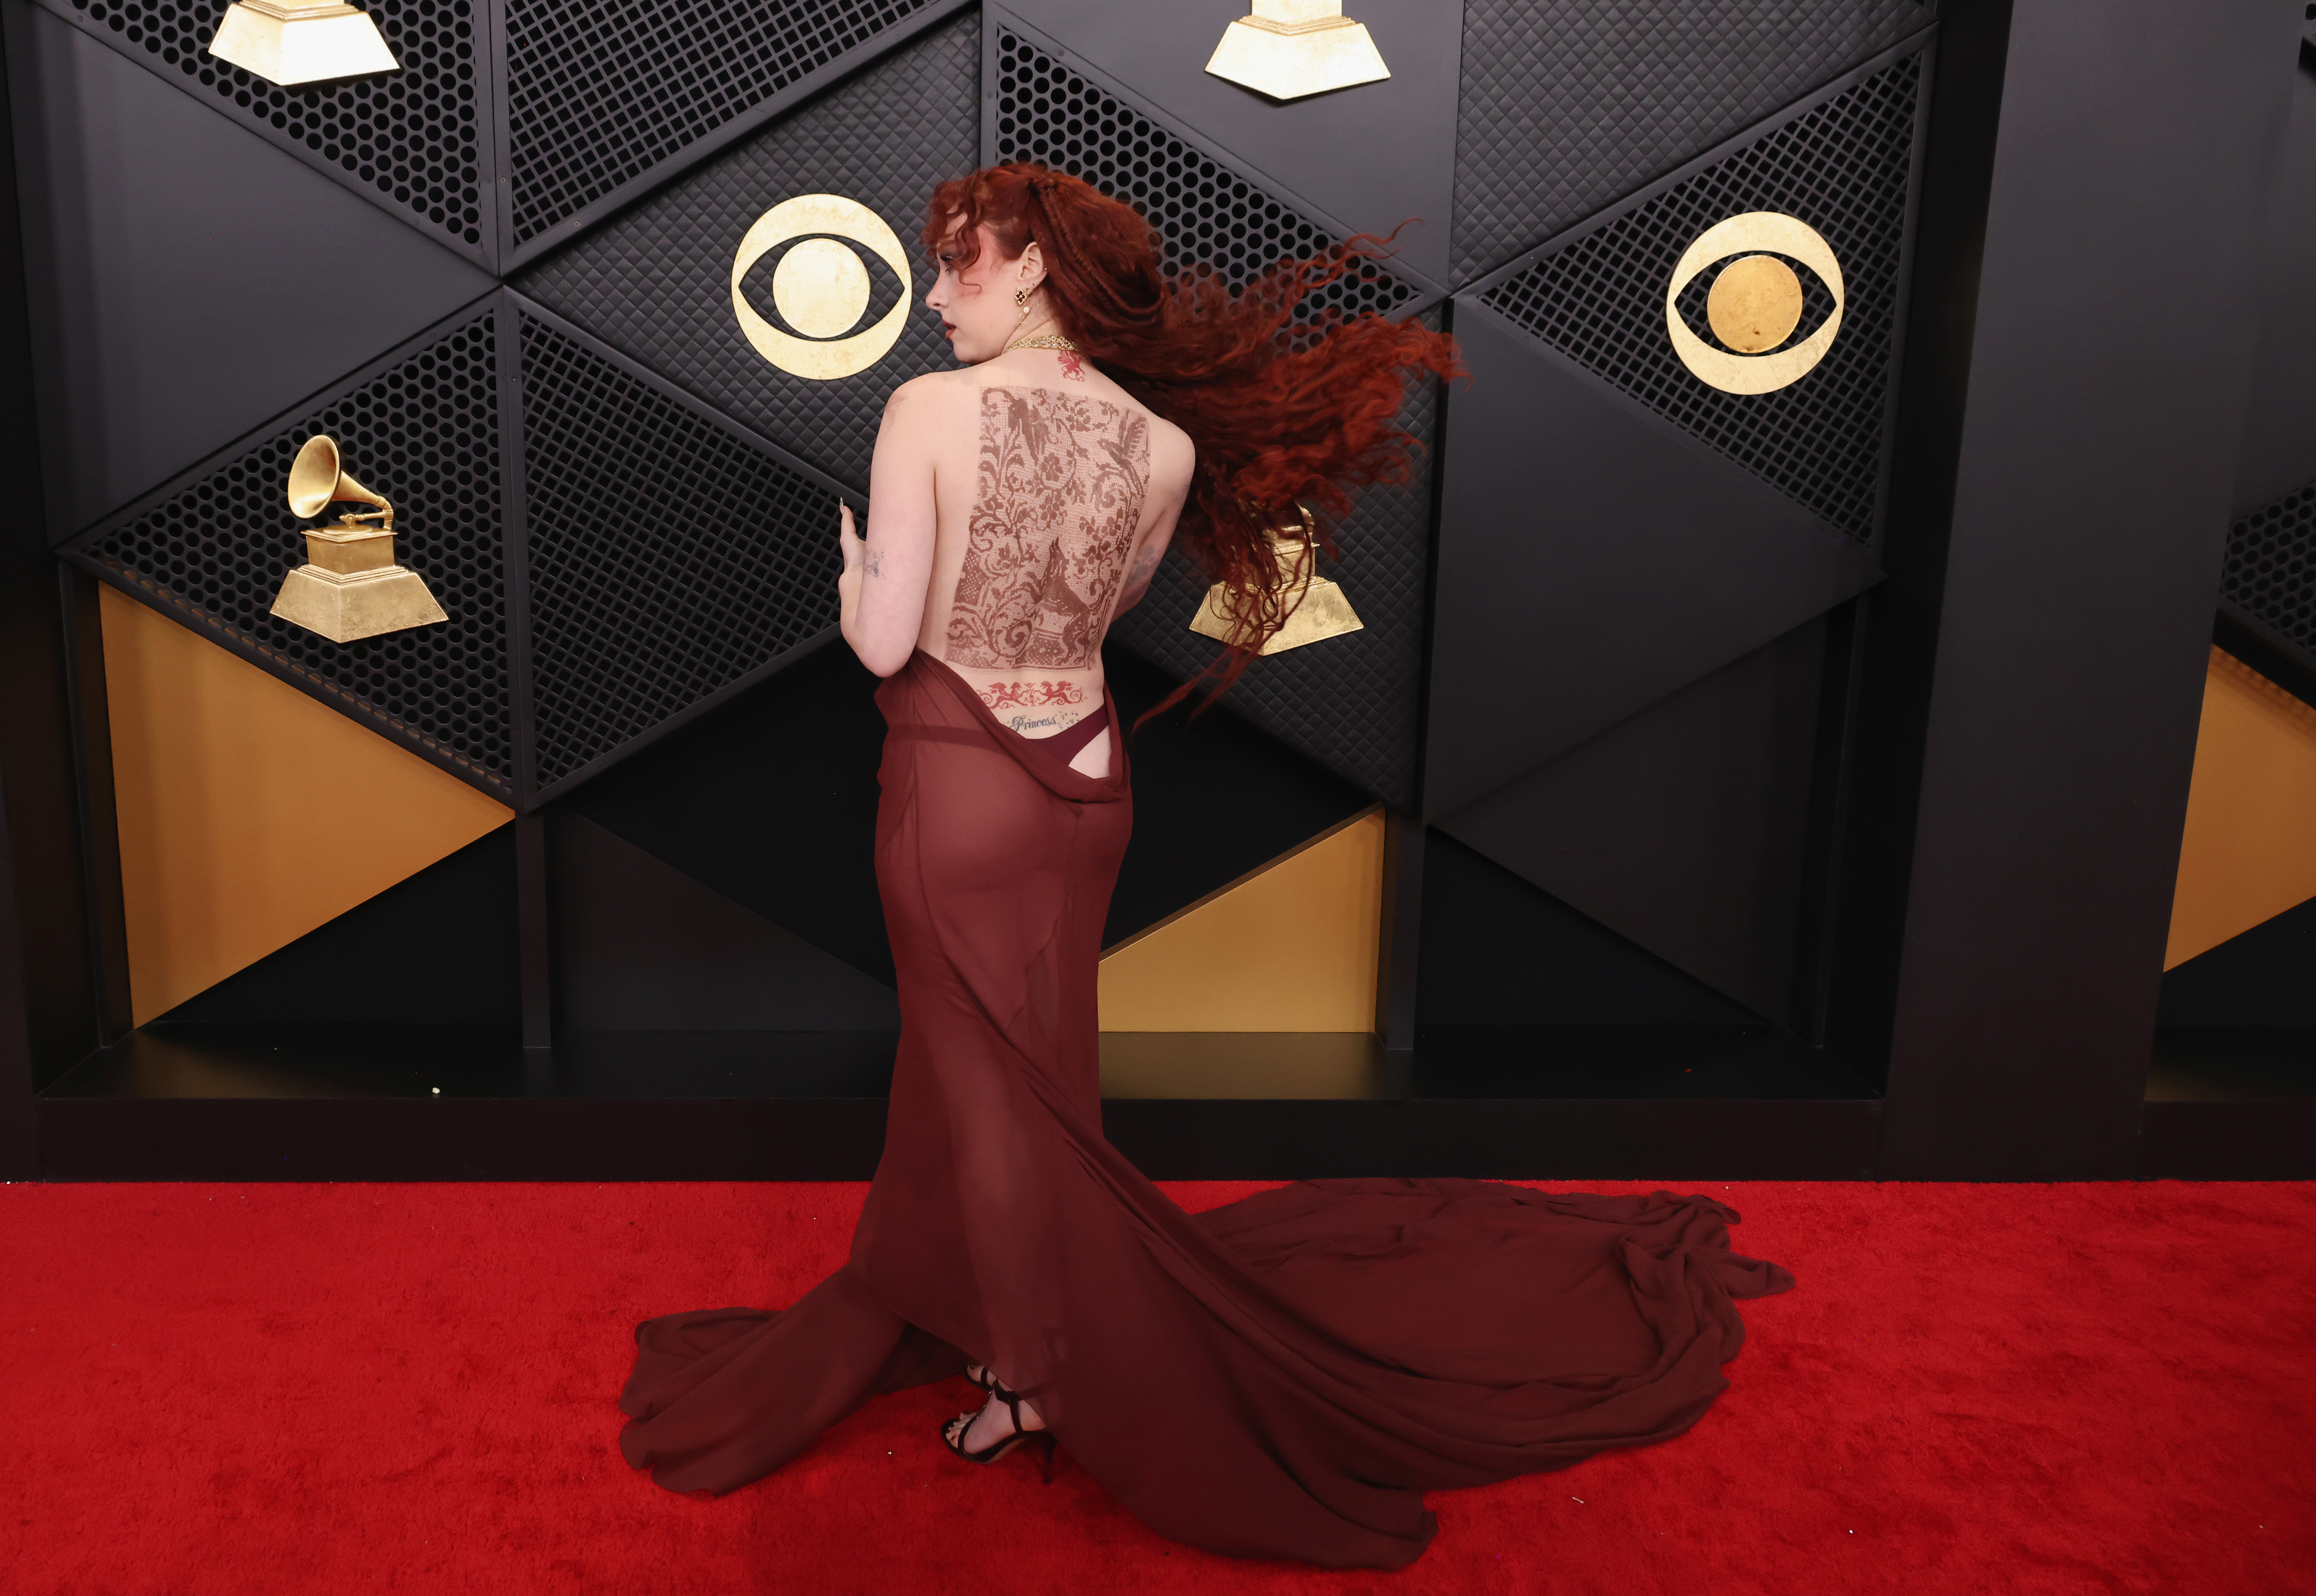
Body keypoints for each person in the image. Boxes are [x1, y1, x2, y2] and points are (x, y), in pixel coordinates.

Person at [615, 164, 1794, 1570]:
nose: (935, 296)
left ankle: (1037, 1376)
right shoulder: (1163, 446)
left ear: (1035, 267)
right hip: (1092, 776)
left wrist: (864, 570)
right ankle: (964, 1303)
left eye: (956, 265)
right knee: (1023, 1073)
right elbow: (1104, 611)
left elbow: (886, 649)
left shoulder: (927, 411)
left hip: (961, 786)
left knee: (990, 1093)